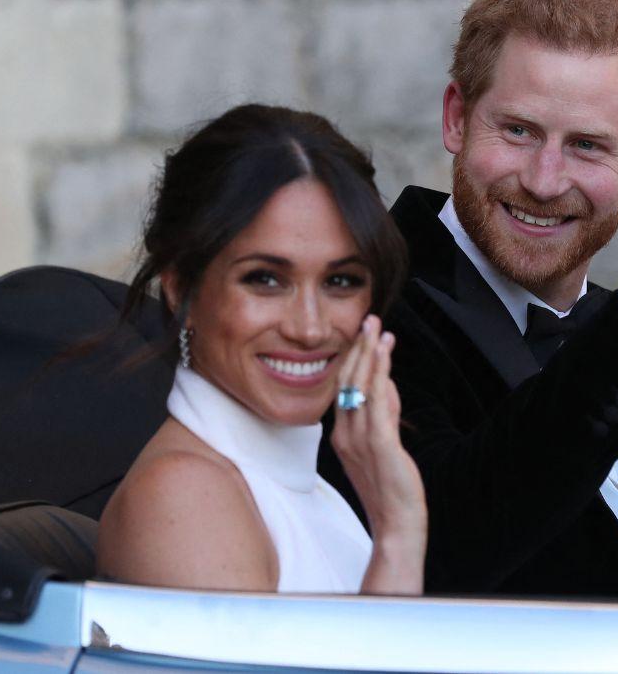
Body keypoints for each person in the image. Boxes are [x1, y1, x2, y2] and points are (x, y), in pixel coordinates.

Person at [320, 0, 618, 598]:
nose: (544, 181)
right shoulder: (365, 309)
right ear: (457, 119)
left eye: (588, 145)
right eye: (518, 131)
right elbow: (440, 549)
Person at [96, 104, 426, 595]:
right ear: (180, 287)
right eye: (265, 279)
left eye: (340, 281)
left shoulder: (302, 486)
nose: (310, 328)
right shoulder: (186, 498)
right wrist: (399, 536)